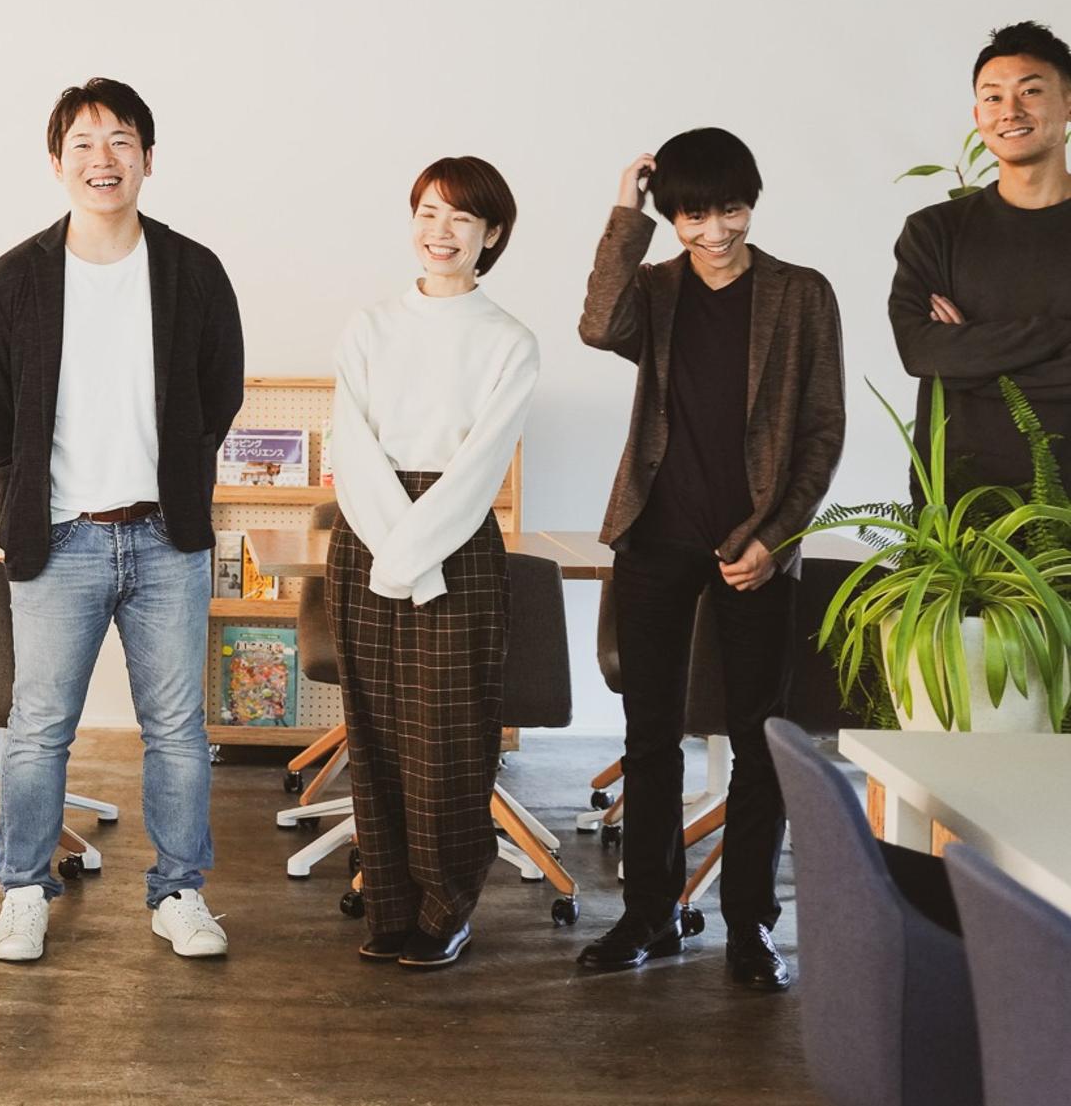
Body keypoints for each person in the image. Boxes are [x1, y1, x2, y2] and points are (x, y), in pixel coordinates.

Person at [0, 77, 243, 963]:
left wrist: (181, 476)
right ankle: (23, 891)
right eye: (83, 143)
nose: (103, 159)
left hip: (167, 536)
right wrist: (26, 489)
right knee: (40, 726)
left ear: (148, 158)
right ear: (57, 162)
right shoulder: (15, 278)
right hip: (61, 537)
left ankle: (180, 892)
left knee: (178, 729)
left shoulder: (192, 271)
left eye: (121, 140)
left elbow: (221, 390)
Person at [576, 128, 845, 991]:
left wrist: (777, 537)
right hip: (656, 533)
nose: (716, 232)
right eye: (693, 216)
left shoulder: (801, 294)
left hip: (753, 545)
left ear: (751, 203)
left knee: (760, 739)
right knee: (651, 735)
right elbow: (596, 323)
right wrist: (627, 211)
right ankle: (649, 915)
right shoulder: (655, 290)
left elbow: (822, 431)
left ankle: (751, 925)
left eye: (730, 210)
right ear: (673, 217)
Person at [327, 156, 539, 970]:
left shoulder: (509, 340)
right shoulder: (370, 325)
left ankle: (445, 909)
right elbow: (353, 447)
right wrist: (396, 555)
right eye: (427, 212)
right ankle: (388, 904)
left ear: (492, 233)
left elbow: (480, 468)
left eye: (460, 218)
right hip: (367, 534)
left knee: (450, 738)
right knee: (376, 733)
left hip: (456, 544)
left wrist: (413, 556)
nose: (439, 231)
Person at [890, 20, 1071, 497]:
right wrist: (1060, 333)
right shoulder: (934, 231)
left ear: (1068, 102)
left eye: (1030, 91)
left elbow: (946, 357)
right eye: (993, 97)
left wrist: (968, 363)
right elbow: (920, 350)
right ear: (977, 114)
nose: (1010, 111)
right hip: (960, 512)